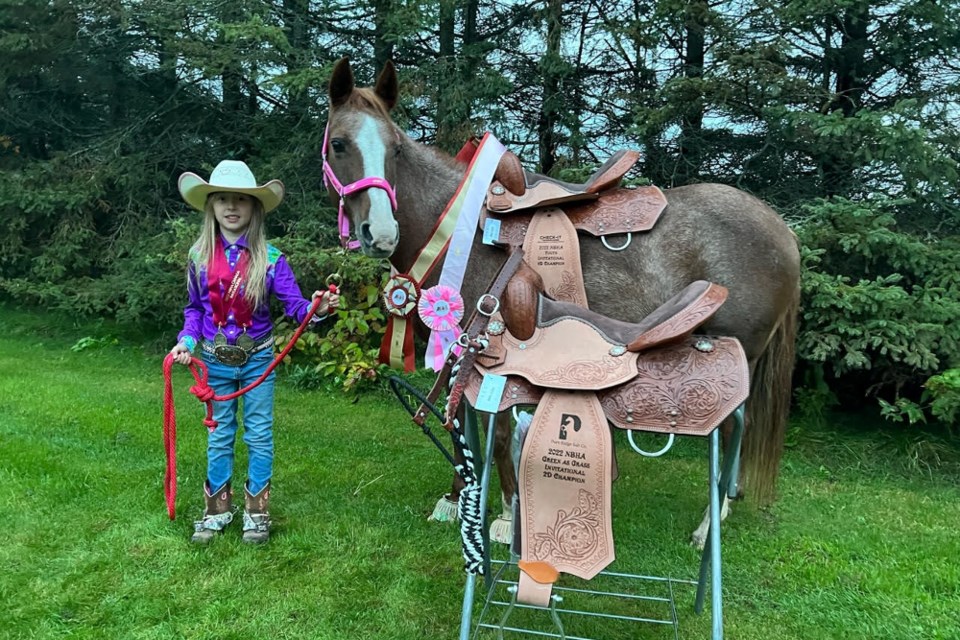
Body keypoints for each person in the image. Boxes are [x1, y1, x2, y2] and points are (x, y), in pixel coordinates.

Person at [169, 159, 339, 545]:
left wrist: (318, 307)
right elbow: (194, 310)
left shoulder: (273, 259)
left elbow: (296, 307)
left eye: (241, 200)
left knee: (259, 434)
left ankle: (257, 513)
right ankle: (216, 511)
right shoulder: (198, 257)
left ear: (255, 208)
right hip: (213, 360)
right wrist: (187, 341)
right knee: (219, 434)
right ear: (211, 206)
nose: (232, 207)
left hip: (258, 359)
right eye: (223, 199)